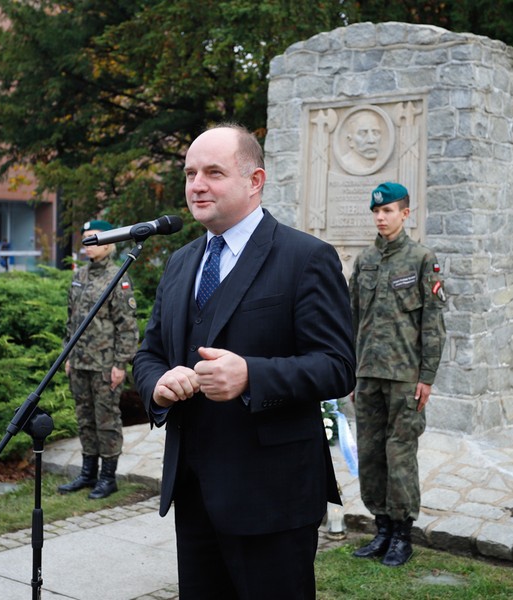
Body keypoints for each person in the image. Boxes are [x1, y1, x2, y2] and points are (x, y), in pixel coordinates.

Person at [132, 124, 356, 599]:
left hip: (272, 497)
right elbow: (149, 354)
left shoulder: (305, 257)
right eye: (190, 173)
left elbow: (337, 365)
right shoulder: (180, 262)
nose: (197, 185)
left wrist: (252, 374)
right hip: (193, 492)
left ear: (255, 181)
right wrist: (158, 384)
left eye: (213, 173)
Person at [348, 182, 446, 567]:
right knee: (371, 454)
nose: (380, 217)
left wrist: (427, 377)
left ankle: (403, 535)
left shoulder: (422, 259)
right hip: (368, 375)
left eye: (387, 211)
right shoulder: (365, 260)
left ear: (405, 214)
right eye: (376, 211)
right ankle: (382, 529)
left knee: (400, 454)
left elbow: (433, 324)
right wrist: (353, 372)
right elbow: (353, 319)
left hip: (406, 378)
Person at [59, 219, 139, 499]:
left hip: (105, 365)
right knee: (84, 418)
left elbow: (127, 326)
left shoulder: (118, 276)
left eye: (94, 238)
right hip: (80, 362)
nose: (88, 243)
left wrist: (120, 364)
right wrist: (68, 355)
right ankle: (88, 472)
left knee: (106, 420)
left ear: (109, 243)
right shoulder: (79, 275)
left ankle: (108, 477)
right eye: (85, 238)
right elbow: (71, 320)